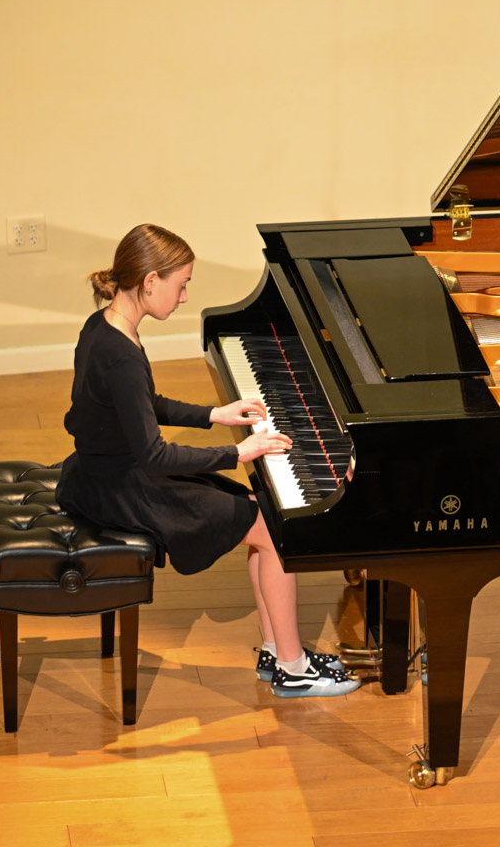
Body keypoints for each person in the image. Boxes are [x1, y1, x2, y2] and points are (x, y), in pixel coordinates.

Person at [55, 223, 359, 698]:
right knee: (274, 531)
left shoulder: (103, 326)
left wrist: (213, 414)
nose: (183, 297)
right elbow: (156, 454)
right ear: (150, 281)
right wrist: (238, 452)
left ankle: (277, 651)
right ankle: (293, 668)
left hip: (99, 475)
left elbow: (141, 404)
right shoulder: (122, 353)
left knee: (262, 517)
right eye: (181, 285)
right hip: (122, 490)